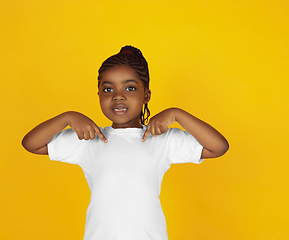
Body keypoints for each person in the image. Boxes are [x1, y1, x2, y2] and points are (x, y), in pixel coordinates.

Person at [22, 45, 229, 240]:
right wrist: (66, 117)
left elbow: (218, 147)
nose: (118, 97)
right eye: (108, 89)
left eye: (129, 89)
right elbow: (32, 143)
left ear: (146, 95)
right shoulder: (90, 139)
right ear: (99, 95)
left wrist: (177, 114)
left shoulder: (160, 140)